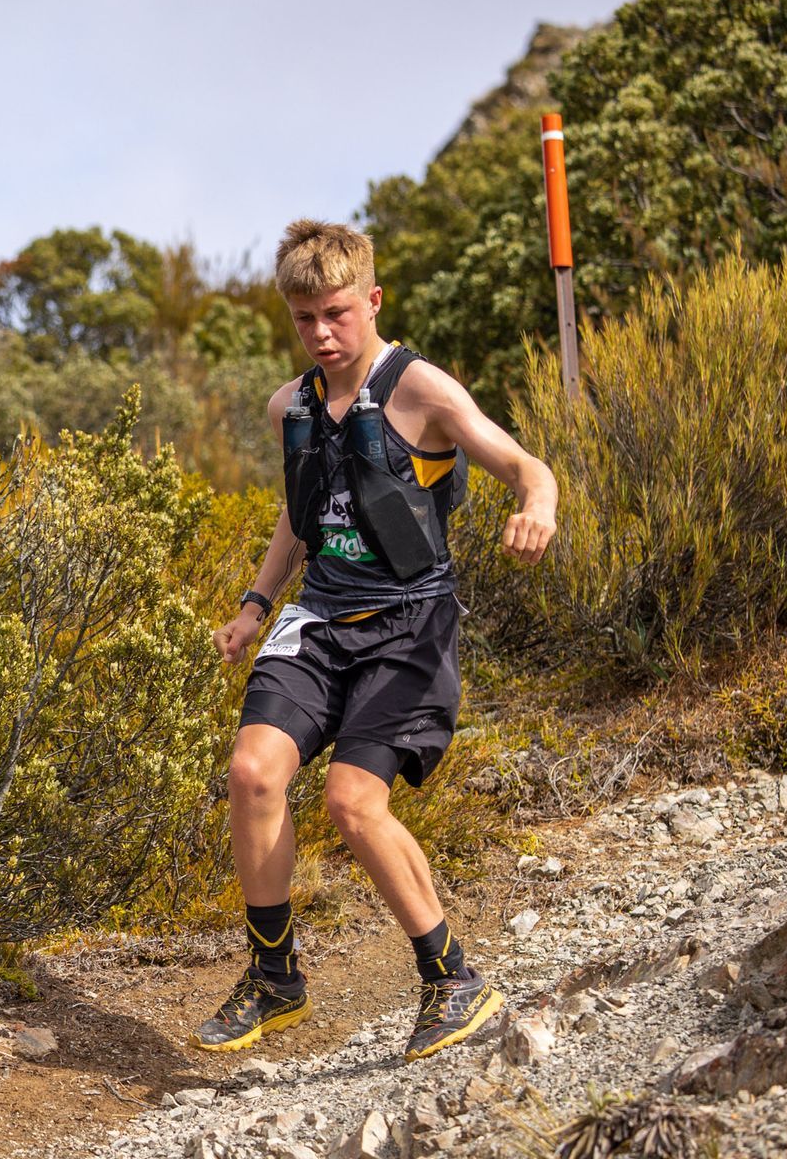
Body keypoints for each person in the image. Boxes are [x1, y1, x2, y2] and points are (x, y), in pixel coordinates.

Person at [196, 219, 557, 1060]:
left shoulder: (422, 390)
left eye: (337, 313)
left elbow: (525, 466)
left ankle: (453, 979)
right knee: (252, 773)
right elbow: (302, 514)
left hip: (409, 626)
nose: (322, 334)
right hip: (319, 621)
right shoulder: (289, 407)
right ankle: (274, 977)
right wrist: (255, 605)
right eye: (304, 319)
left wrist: (536, 505)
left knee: (353, 803)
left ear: (373, 300)